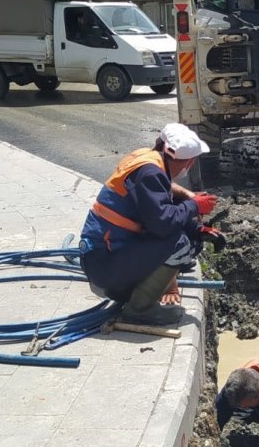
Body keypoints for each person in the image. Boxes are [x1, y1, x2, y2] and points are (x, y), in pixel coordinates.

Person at [78, 123, 227, 325]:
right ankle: (140, 308)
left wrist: (198, 230)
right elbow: (163, 224)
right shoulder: (150, 174)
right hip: (106, 266)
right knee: (181, 244)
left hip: (101, 258)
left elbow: (158, 210)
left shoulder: (146, 159)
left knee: (187, 235)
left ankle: (139, 292)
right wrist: (193, 206)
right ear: (188, 162)